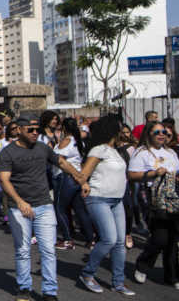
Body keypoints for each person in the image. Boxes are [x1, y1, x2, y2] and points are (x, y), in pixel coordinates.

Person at [0, 117, 89, 301]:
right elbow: (4, 179)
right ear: (19, 130)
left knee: (48, 250)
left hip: (44, 205)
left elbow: (61, 162)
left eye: (37, 129)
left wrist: (81, 178)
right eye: (30, 129)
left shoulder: (42, 148)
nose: (34, 132)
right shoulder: (8, 152)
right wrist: (19, 201)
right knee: (23, 250)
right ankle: (24, 288)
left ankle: (49, 292)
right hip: (19, 208)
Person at [77, 115, 135, 295]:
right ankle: (87, 274)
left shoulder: (115, 151)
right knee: (109, 239)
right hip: (98, 198)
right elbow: (83, 174)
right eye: (119, 128)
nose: (122, 132)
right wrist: (84, 184)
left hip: (116, 201)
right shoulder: (98, 150)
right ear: (112, 130)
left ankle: (118, 282)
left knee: (119, 243)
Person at [128, 121, 179, 289]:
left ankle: (172, 276)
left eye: (164, 132)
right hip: (153, 197)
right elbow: (131, 175)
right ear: (149, 134)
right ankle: (143, 264)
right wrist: (153, 173)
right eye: (157, 131)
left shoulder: (171, 152)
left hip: (173, 197)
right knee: (160, 237)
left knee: (173, 238)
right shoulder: (142, 152)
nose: (161, 134)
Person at [53, 118, 95, 251]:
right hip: (77, 178)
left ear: (64, 129)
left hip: (66, 177)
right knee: (80, 210)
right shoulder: (79, 142)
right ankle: (90, 239)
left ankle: (67, 239)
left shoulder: (66, 141)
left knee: (60, 208)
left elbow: (60, 159)